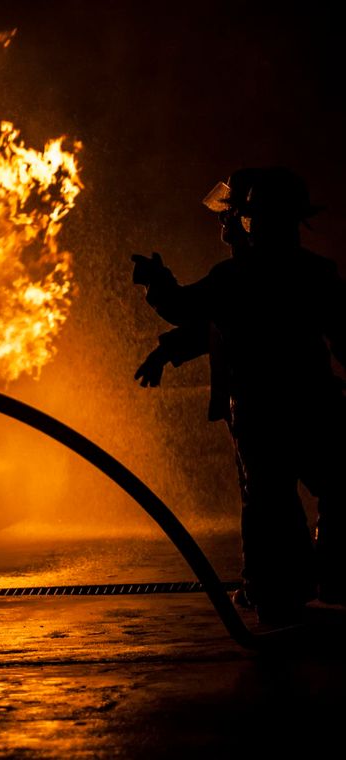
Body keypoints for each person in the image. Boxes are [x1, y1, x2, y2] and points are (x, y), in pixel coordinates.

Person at [132, 167, 346, 624]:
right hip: (313, 404)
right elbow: (211, 326)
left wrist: (156, 282)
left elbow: (186, 308)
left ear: (250, 221)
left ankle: (274, 589)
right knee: (333, 487)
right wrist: (167, 350)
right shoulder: (314, 273)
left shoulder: (234, 277)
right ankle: (328, 577)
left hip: (260, 412)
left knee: (267, 501)